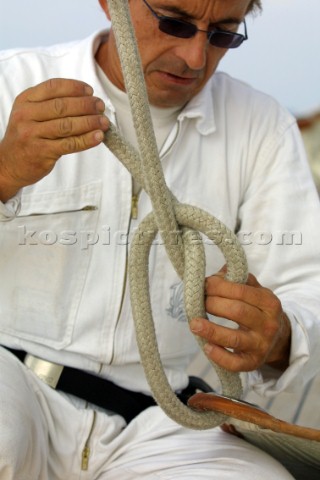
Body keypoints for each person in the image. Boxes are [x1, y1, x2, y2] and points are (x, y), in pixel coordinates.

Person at [0, 0, 319, 478]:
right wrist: (4, 173)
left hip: (163, 423)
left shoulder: (262, 129)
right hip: (12, 386)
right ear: (111, 4)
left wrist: (278, 335)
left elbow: (306, 286)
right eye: (173, 22)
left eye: (223, 34)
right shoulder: (9, 84)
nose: (194, 58)